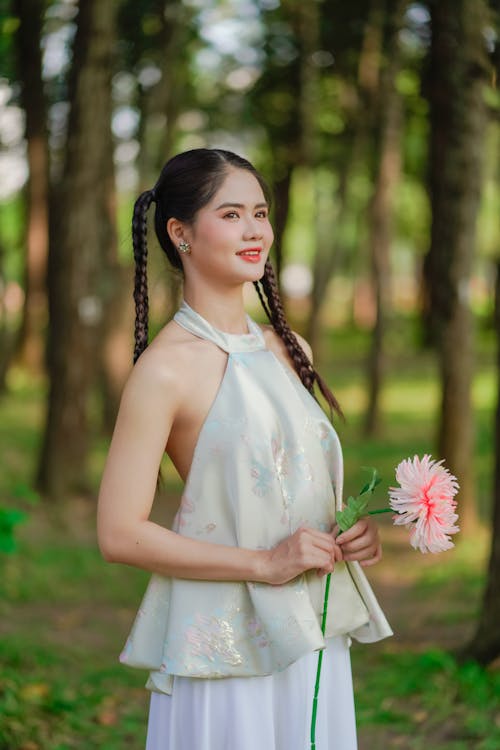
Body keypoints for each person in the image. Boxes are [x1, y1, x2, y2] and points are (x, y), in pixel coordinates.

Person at [97, 148, 392, 750]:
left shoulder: (292, 348)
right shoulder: (165, 371)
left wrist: (351, 534)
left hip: (311, 627)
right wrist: (264, 564)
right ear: (180, 233)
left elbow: (292, 488)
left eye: (260, 212)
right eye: (231, 214)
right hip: (224, 642)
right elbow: (118, 533)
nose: (255, 230)